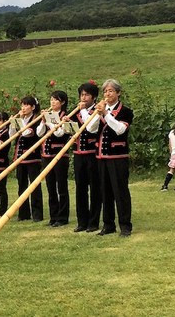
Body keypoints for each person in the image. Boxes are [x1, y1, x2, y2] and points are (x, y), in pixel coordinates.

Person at [89, 79, 134, 237]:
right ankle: (108, 225)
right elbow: (90, 128)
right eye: (105, 92)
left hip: (118, 156)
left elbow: (120, 129)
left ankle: (125, 225)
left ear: (118, 93)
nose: (107, 94)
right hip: (101, 156)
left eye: (110, 91)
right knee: (104, 191)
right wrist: (97, 114)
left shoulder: (126, 111)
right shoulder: (101, 110)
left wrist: (106, 114)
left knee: (120, 191)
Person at [72, 82, 102, 233]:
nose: (83, 98)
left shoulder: (96, 111)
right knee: (80, 188)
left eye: (86, 95)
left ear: (94, 97)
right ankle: (81, 221)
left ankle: (93, 221)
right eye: (81, 95)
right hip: (78, 155)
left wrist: (83, 111)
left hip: (92, 155)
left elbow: (91, 127)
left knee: (95, 188)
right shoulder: (76, 112)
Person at [39, 90, 71, 227]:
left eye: (55, 100)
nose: (52, 102)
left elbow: (58, 133)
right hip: (46, 155)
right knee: (50, 187)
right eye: (51, 99)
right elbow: (39, 133)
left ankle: (63, 217)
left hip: (60, 155)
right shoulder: (48, 116)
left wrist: (50, 122)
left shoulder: (66, 116)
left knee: (61, 187)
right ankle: (53, 216)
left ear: (62, 102)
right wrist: (42, 121)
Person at [11, 96, 44, 222]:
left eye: (26, 105)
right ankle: (23, 213)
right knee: (21, 185)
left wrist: (19, 121)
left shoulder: (36, 119)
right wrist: (13, 123)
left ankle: (37, 214)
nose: (23, 108)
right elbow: (13, 135)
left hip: (32, 157)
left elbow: (28, 132)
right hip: (20, 157)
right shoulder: (21, 119)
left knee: (34, 186)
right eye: (22, 105)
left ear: (33, 107)